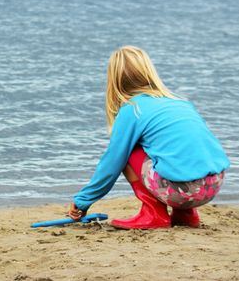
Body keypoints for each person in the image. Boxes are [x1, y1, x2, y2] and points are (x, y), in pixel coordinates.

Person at [68, 46, 230, 229]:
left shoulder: (132, 109)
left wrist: (83, 200)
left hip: (182, 194)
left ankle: (154, 215)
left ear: (114, 80)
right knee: (174, 147)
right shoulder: (179, 102)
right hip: (212, 186)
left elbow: (111, 163)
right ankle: (186, 215)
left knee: (127, 152)